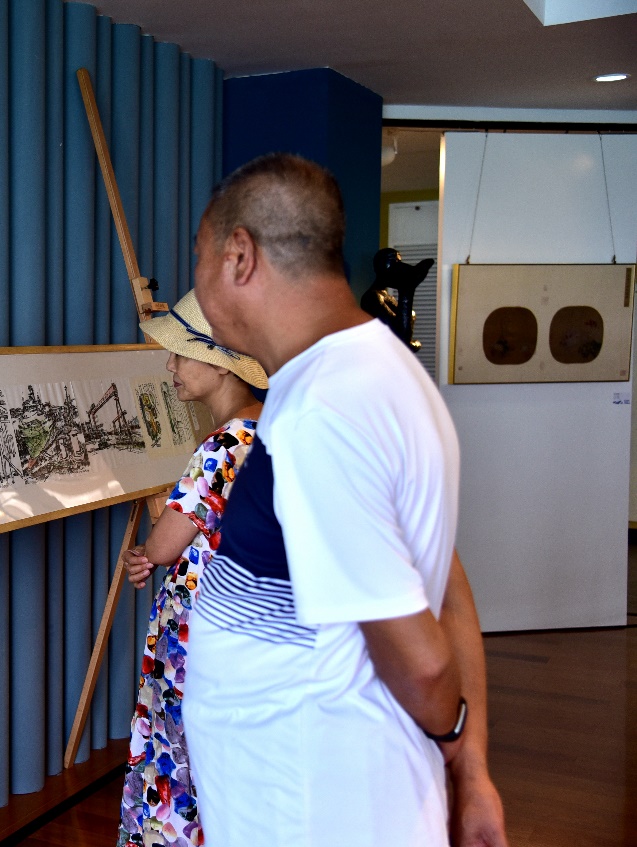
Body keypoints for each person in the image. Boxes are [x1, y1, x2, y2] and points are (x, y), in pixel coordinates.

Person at [184, 152, 506, 847]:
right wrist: (472, 768)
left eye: (198, 255)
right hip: (323, 786)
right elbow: (448, 590)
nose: (197, 280)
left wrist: (455, 741)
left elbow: (423, 659)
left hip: (313, 798)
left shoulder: (322, 412)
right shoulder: (373, 371)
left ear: (238, 255)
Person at [116, 289, 268, 847]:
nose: (171, 366)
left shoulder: (222, 446)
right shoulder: (269, 428)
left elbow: (163, 545)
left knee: (178, 762)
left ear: (220, 362)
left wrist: (143, 552)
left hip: (195, 632)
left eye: (181, 354)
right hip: (245, 623)